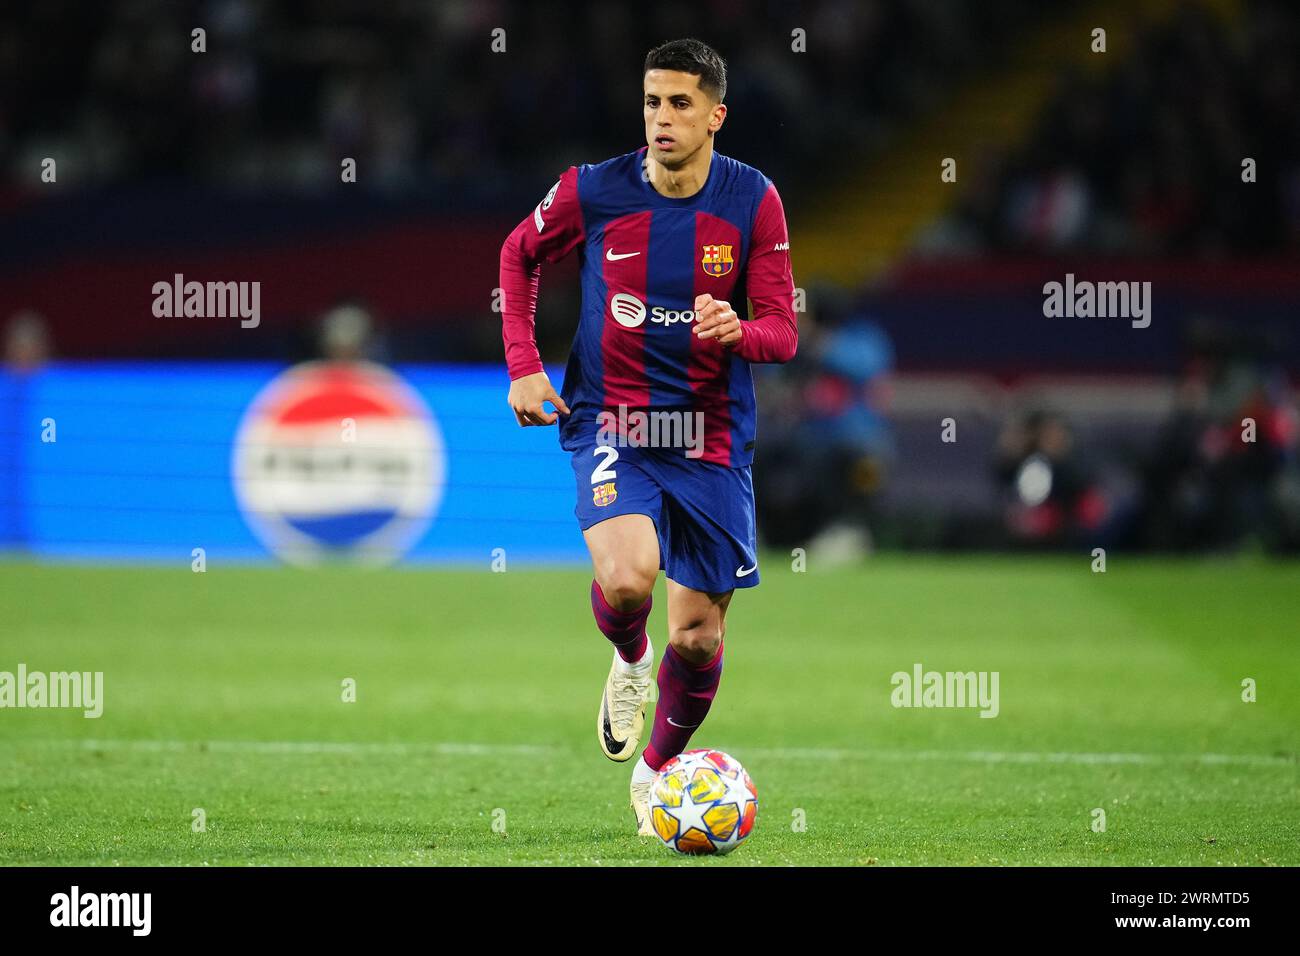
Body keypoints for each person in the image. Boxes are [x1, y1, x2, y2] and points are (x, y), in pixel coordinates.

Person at [497, 38, 797, 834]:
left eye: (680, 104)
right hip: (613, 419)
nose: (662, 119)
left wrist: (741, 329)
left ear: (715, 116)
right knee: (630, 581)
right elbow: (518, 253)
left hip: (709, 434)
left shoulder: (753, 201)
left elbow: (783, 332)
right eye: (652, 102)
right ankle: (630, 659)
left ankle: (658, 775)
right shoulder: (595, 190)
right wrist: (524, 365)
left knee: (697, 640)